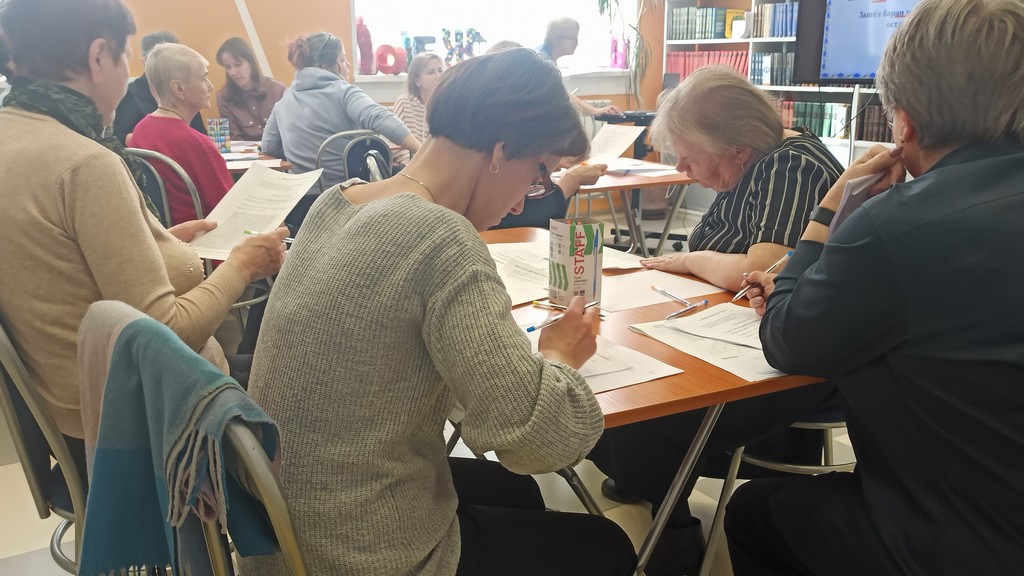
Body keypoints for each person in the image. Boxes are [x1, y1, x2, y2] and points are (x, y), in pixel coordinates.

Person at [241, 47, 636, 576]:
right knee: (607, 547)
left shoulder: (335, 204)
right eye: (537, 174)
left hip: (280, 537)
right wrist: (560, 358)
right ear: (502, 150)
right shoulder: (440, 237)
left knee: (514, 495)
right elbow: (539, 443)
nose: (523, 202)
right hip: (355, 556)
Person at [726, 0, 1024, 574]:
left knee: (754, 512)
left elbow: (787, 340)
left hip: (962, 536)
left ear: (904, 121)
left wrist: (830, 210)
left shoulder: (895, 224)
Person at [0, 0, 287, 483]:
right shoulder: (85, 163)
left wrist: (155, 239)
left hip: (64, 415)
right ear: (98, 57)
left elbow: (58, 261)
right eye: (124, 59)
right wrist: (243, 266)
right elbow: (168, 333)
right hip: (143, 427)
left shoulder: (16, 136)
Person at [585, 65, 845, 575]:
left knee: (650, 403)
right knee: (614, 372)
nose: (682, 169)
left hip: (790, 360)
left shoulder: (790, 164)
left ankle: (673, 531)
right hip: (733, 330)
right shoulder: (746, 166)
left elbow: (759, 268)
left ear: (738, 150)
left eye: (688, 156)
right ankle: (652, 486)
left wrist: (691, 260)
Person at [262, 31, 421, 227]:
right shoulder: (344, 92)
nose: (348, 65)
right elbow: (380, 117)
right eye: (343, 59)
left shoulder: (284, 101)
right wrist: (420, 149)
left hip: (300, 209)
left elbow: (268, 147)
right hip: (347, 202)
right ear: (327, 66)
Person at [130, 43, 233, 225]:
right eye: (203, 79)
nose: (210, 86)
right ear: (179, 88)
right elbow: (230, 208)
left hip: (163, 233)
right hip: (204, 235)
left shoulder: (140, 130)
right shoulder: (196, 143)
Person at [112, 30, 206, 145]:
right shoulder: (129, 94)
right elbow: (119, 138)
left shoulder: (184, 90)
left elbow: (201, 134)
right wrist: (160, 138)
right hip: (146, 154)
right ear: (144, 62)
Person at [536, 17, 622, 117]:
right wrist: (595, 111)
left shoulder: (546, 56)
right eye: (573, 38)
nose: (577, 43)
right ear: (557, 38)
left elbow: (562, 93)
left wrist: (596, 111)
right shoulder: (543, 62)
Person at [215, 37, 286, 141]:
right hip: (246, 151)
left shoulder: (277, 89)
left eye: (238, 65)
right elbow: (234, 141)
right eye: (228, 67)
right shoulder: (223, 98)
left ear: (250, 62)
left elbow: (290, 130)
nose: (233, 72)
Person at [390, 51, 443, 165]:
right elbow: (395, 141)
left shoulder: (445, 105)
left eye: (440, 70)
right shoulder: (404, 103)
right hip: (411, 166)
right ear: (417, 81)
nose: (438, 76)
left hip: (439, 164)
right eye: (431, 72)